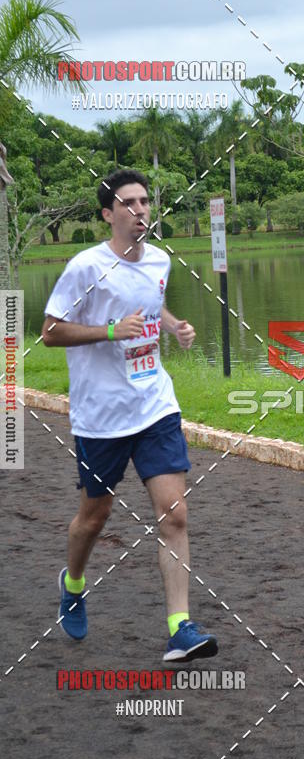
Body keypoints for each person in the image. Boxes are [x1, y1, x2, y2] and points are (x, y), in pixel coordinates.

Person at [42, 168, 217, 662]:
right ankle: (73, 583)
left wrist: (174, 325)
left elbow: (151, 303)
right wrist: (109, 331)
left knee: (174, 513)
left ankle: (180, 629)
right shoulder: (86, 267)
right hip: (101, 416)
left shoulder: (160, 259)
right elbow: (50, 331)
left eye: (144, 201)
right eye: (129, 203)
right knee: (94, 518)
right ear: (108, 214)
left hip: (154, 405)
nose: (140, 210)